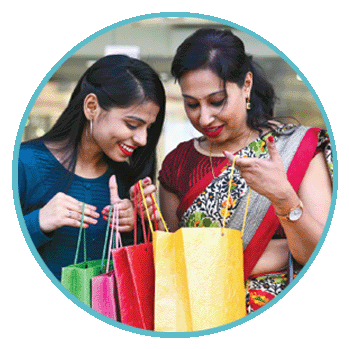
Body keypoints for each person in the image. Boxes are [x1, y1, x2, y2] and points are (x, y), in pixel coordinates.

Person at [140, 28, 333, 314]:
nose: (204, 117)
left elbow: (320, 255)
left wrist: (284, 200)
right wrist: (148, 222)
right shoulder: (179, 162)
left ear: (246, 85)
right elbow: (175, 264)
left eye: (216, 101)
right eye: (191, 104)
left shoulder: (297, 149)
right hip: (200, 315)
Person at [18, 54, 166, 281]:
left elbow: (143, 275)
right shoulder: (24, 163)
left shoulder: (127, 179)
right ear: (91, 107)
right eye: (132, 124)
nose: (143, 139)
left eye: (149, 128)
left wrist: (137, 224)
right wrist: (37, 222)